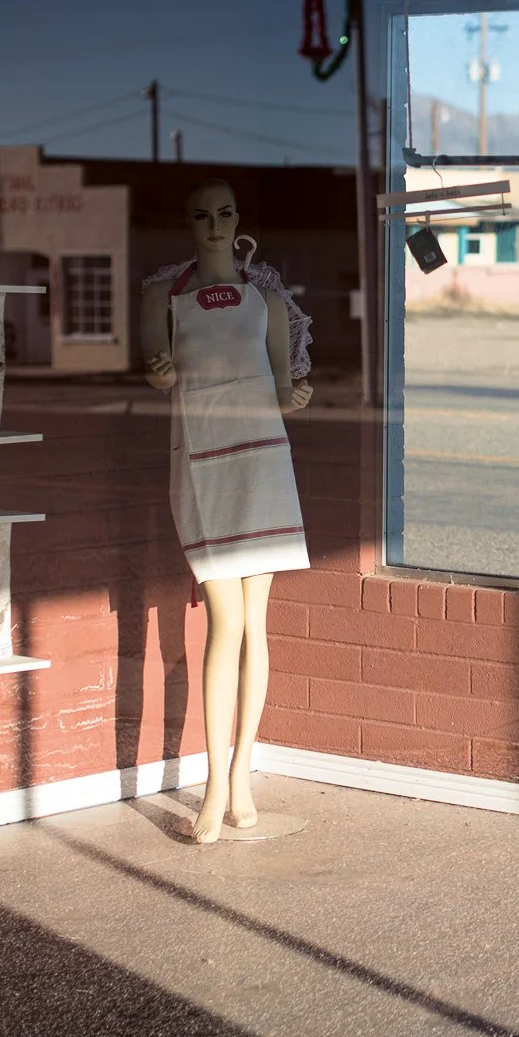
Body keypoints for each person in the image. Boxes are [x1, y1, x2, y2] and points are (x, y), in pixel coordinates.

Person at [140, 179, 314, 844]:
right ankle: (215, 782)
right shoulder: (164, 295)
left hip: (263, 462)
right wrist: (159, 371)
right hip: (202, 461)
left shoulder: (267, 300)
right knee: (224, 620)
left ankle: (240, 775)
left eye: (224, 213)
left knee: (255, 625)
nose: (214, 224)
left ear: (238, 219)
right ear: (187, 221)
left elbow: (277, 380)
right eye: (201, 213)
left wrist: (294, 395)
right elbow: (158, 374)